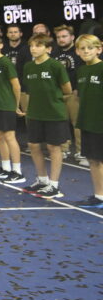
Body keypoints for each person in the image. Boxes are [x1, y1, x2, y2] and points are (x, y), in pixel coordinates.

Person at [19, 34, 72, 199]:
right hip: (35, 113)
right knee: (34, 146)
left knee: (53, 147)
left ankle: (54, 185)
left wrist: (53, 100)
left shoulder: (55, 66)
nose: (33, 48)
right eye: (32, 45)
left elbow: (67, 90)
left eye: (38, 45)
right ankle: (42, 180)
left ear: (48, 48)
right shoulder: (28, 67)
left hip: (54, 114)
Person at [0, 34, 25, 184]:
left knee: (9, 137)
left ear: (1, 45)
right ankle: (6, 168)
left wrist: (15, 105)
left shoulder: (5, 62)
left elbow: (16, 85)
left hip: (5, 105)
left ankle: (17, 171)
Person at [73, 34, 103, 207]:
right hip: (88, 122)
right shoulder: (82, 71)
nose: (86, 51)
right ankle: (99, 196)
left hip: (100, 123)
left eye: (90, 48)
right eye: (82, 48)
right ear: (77, 51)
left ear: (99, 49)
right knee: (93, 159)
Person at [52, 24, 86, 165]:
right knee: (60, 123)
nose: (61, 39)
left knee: (77, 123)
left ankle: (81, 152)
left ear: (72, 37)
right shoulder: (54, 52)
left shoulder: (79, 52)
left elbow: (84, 71)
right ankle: (64, 149)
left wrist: (79, 88)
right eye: (59, 37)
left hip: (74, 93)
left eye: (64, 36)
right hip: (58, 93)